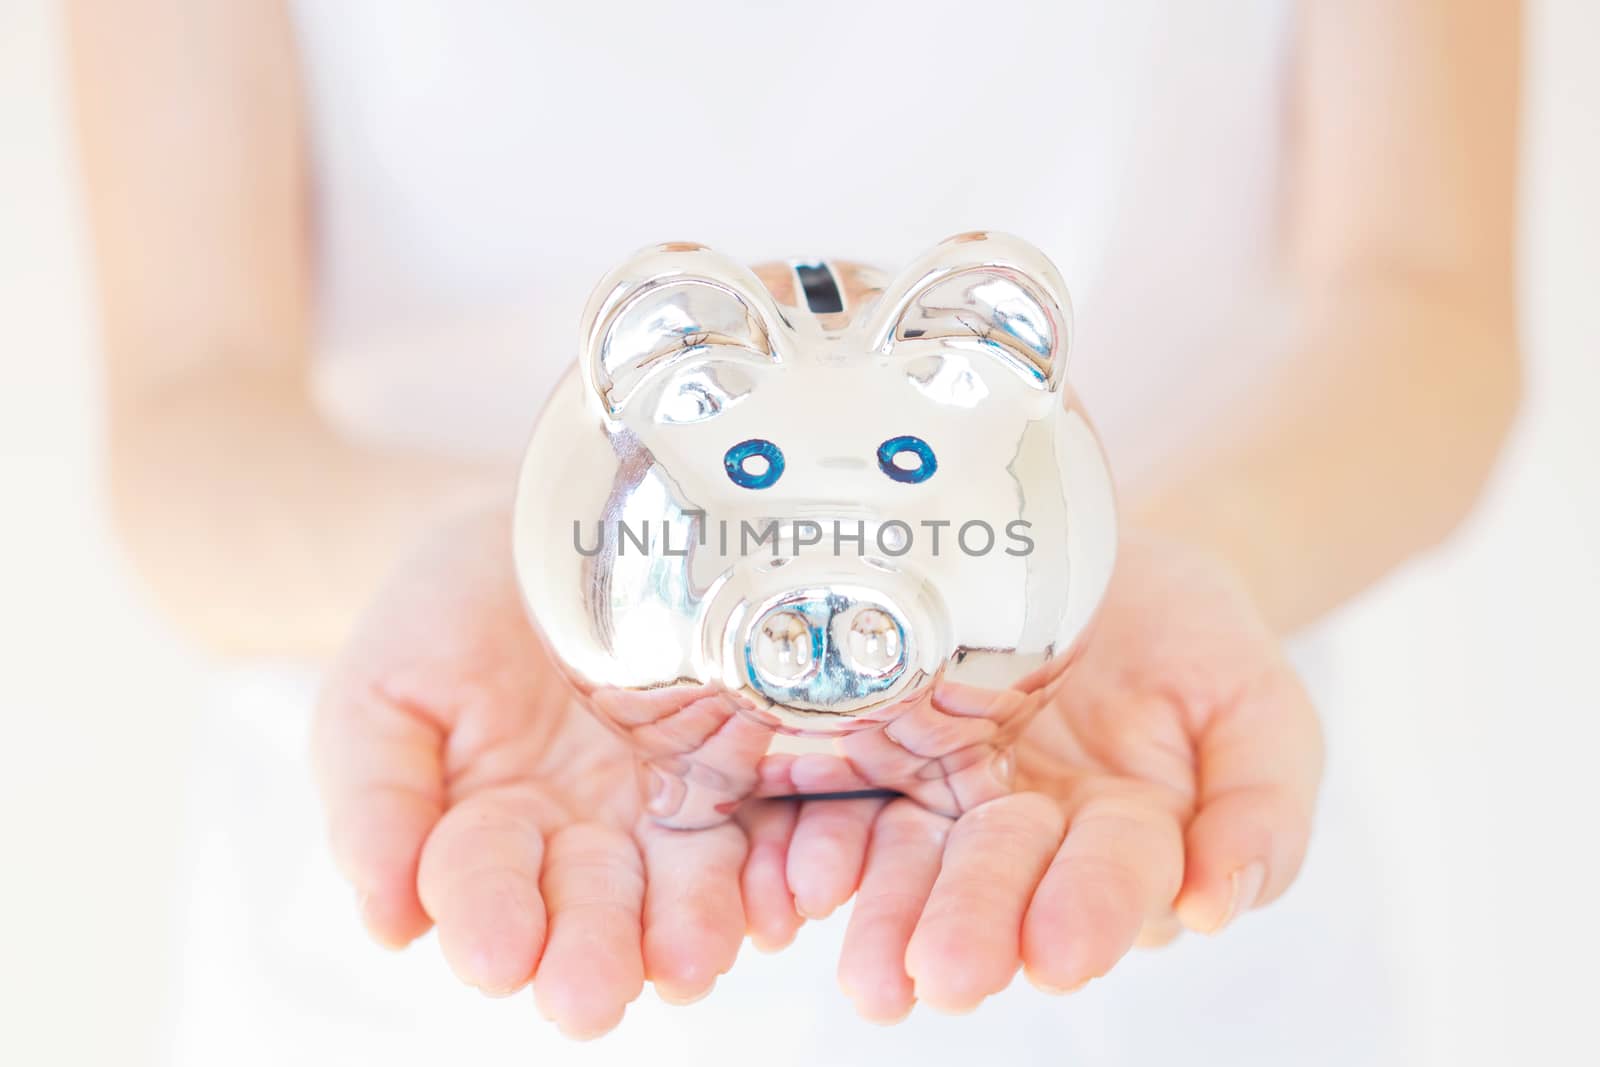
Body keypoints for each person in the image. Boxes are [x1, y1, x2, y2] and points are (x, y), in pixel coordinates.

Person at [68, 0, 1521, 1061]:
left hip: (1159, 915)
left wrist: (1189, 558)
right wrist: (526, 568)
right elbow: (189, 412)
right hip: (411, 965)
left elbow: (1425, 309)